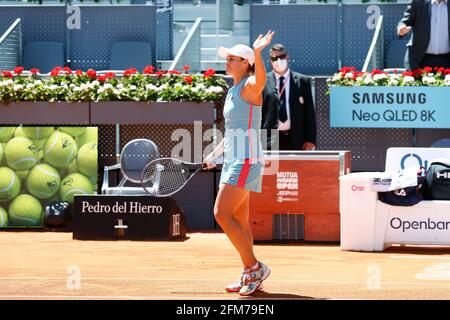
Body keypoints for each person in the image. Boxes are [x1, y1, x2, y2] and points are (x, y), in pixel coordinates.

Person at [202, 31, 275, 296]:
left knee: (221, 213)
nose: (228, 62)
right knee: (241, 221)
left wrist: (258, 53)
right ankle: (249, 274)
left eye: (233, 58)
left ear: (245, 63)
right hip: (233, 159)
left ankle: (255, 267)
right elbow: (232, 131)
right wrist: (214, 155)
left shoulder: (249, 86)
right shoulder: (232, 90)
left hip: (246, 161)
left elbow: (261, 81)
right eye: (228, 58)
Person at [261, 44, 316, 151]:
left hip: (296, 139)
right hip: (269, 140)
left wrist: (310, 139)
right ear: (270, 60)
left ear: (287, 57)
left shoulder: (302, 81)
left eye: (281, 57)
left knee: (294, 168)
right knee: (271, 168)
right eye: (274, 58)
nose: (278, 60)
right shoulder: (263, 81)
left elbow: (309, 112)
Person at [398, 0, 450, 69]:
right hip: (420, 59)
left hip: (447, 60)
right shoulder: (418, 2)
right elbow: (406, 20)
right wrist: (401, 28)